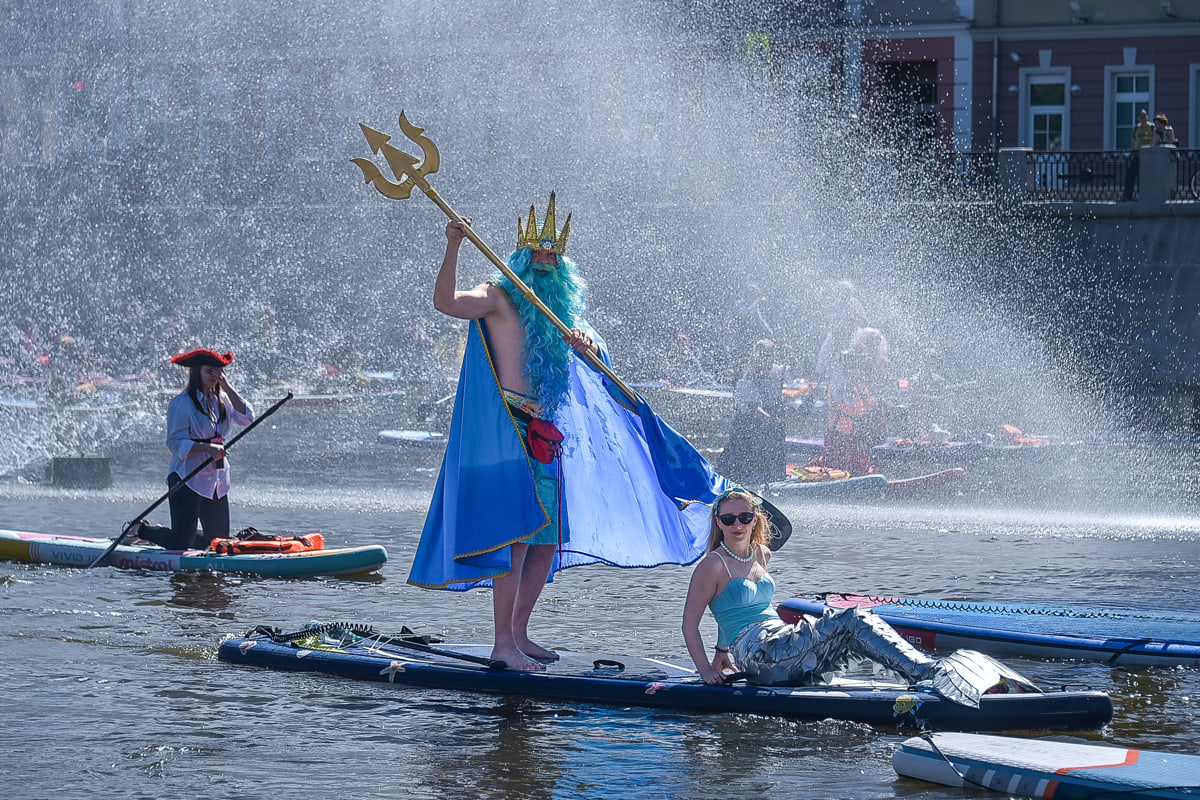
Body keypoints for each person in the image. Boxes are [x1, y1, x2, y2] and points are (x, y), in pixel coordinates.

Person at [408, 194, 733, 671]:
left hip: (546, 436)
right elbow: (446, 303)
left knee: (546, 541)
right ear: (521, 255)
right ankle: (502, 644)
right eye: (536, 253)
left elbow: (601, 373)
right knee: (517, 539)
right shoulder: (498, 296)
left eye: (552, 255)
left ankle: (520, 633)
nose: (544, 260)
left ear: (563, 264)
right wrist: (453, 243)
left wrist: (586, 348)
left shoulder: (564, 315)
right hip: (509, 431)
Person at [682, 488, 1036, 707]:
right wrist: (706, 672)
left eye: (744, 517)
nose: (737, 524)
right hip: (758, 652)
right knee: (851, 618)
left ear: (755, 519)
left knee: (850, 626)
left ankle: (922, 674)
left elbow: (737, 605)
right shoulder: (711, 565)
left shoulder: (762, 553)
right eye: (729, 518)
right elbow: (690, 625)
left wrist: (721, 653)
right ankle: (928, 671)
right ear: (718, 522)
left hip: (777, 640)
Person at [127, 348, 255, 550]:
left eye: (218, 371)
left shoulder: (223, 400)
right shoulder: (182, 404)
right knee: (181, 543)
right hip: (186, 478)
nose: (215, 376)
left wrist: (227, 386)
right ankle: (139, 530)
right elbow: (174, 443)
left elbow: (248, 418)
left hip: (216, 479)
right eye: (209, 371)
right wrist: (207, 448)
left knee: (217, 543)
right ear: (197, 373)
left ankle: (169, 532)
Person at [817, 327, 889, 475]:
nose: (860, 365)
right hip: (839, 436)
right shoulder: (840, 380)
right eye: (857, 362)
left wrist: (877, 403)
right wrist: (851, 385)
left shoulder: (860, 382)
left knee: (860, 468)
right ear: (848, 363)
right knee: (838, 470)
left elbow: (864, 405)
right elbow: (846, 401)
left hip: (857, 435)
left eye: (860, 362)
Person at [717, 339, 787, 485]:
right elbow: (755, 408)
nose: (769, 361)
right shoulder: (746, 381)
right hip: (749, 427)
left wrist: (791, 357)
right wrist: (770, 420)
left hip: (769, 425)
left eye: (770, 357)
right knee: (750, 455)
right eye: (765, 357)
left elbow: (798, 372)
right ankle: (747, 478)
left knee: (773, 452)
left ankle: (774, 477)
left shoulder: (777, 371)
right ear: (757, 359)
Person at [816, 280, 868, 378]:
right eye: (841, 291)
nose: (843, 294)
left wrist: (853, 318)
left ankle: (852, 376)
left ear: (850, 292)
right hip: (837, 334)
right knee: (825, 353)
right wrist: (835, 332)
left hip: (852, 335)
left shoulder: (855, 304)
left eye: (846, 291)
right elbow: (832, 322)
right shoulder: (836, 304)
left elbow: (865, 322)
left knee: (849, 357)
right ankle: (825, 377)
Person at [1122, 108, 1155, 200]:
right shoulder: (1136, 128)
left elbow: (1155, 140)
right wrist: (1131, 152)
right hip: (1137, 155)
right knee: (1130, 175)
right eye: (1141, 117)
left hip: (1148, 156)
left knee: (1146, 177)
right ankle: (1127, 195)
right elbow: (1134, 142)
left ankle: (1146, 196)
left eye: (1144, 117)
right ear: (1138, 118)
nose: (1143, 119)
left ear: (1147, 117)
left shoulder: (1152, 127)